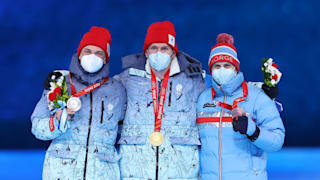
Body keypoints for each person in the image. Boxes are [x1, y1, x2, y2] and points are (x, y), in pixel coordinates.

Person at [31, 26, 126, 180]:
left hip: (103, 173)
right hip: (61, 172)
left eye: (99, 53)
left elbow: (128, 127)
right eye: (87, 51)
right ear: (79, 54)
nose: (92, 56)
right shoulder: (59, 83)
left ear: (106, 58)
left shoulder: (118, 90)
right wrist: (57, 122)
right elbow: (37, 127)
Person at [114, 21, 206, 180]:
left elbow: (223, 94)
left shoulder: (195, 81)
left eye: (164, 48)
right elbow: (98, 97)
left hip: (182, 174)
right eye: (154, 48)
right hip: (135, 173)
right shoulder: (127, 80)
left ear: (173, 52)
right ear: (147, 52)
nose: (159, 52)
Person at [196, 33, 285, 180]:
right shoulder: (202, 98)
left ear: (235, 68)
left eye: (227, 65)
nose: (222, 69)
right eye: (217, 66)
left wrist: (253, 131)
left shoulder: (256, 96)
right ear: (211, 70)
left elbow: (277, 141)